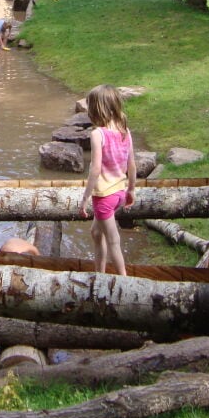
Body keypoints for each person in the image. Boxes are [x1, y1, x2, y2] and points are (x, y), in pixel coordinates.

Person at [79, 84, 137, 275]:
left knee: (113, 241)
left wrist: (86, 197)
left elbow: (95, 169)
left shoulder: (98, 134)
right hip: (119, 192)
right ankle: (99, 273)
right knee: (96, 233)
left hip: (103, 196)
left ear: (96, 109)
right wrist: (130, 190)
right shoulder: (124, 131)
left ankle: (124, 280)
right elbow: (131, 165)